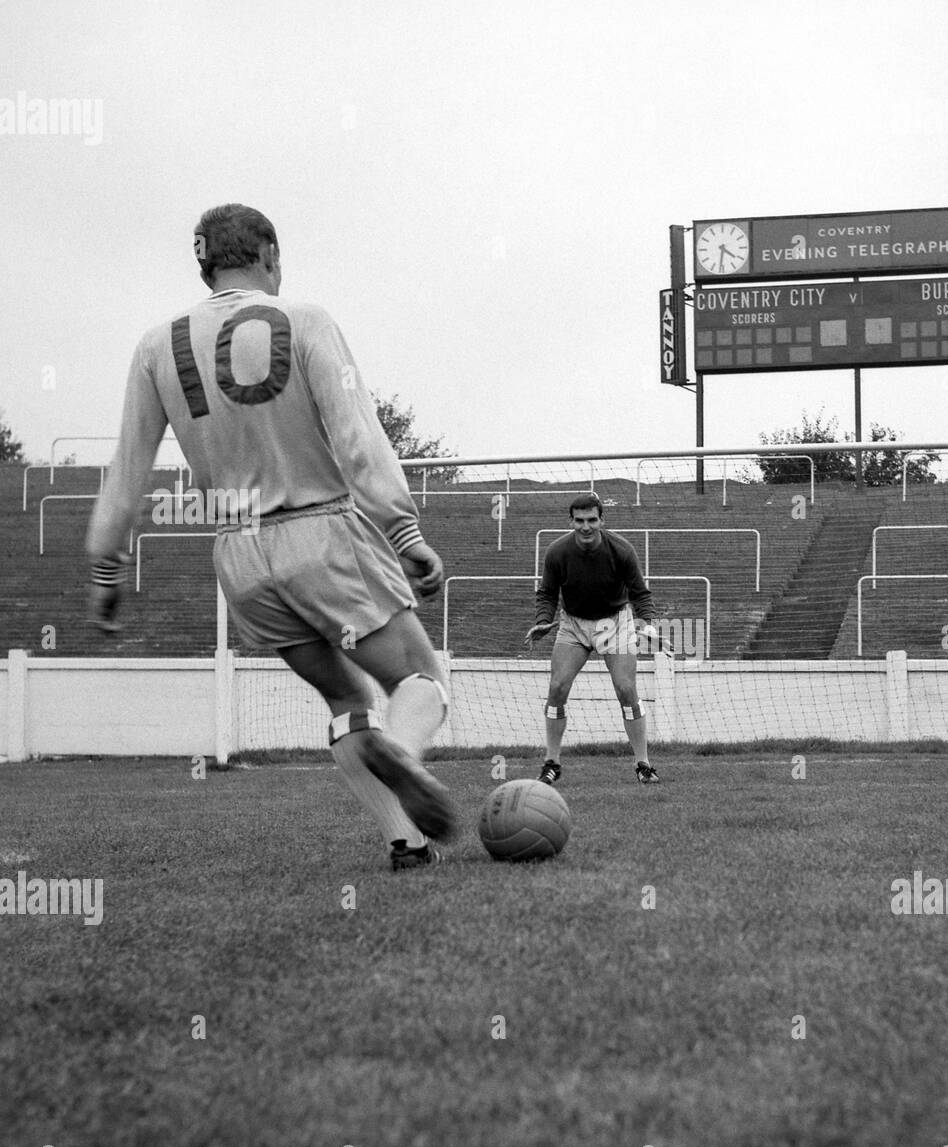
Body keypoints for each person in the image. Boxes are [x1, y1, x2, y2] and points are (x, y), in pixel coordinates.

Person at [86, 203, 456, 871]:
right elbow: (359, 437)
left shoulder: (155, 345)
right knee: (421, 678)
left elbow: (126, 469)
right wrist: (404, 531)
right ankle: (402, 753)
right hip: (320, 532)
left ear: (205, 264)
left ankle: (405, 840)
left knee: (347, 697)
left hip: (240, 558)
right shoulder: (306, 320)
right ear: (269, 255)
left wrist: (107, 571)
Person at [524, 494, 661, 785]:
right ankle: (552, 763)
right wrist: (543, 621)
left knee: (626, 689)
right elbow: (547, 593)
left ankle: (643, 764)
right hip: (572, 624)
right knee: (557, 687)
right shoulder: (557, 552)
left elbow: (640, 592)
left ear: (602, 520)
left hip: (614, 623)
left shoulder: (621, 550)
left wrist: (647, 624)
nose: (586, 527)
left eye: (592, 520)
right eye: (579, 520)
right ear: (570, 521)